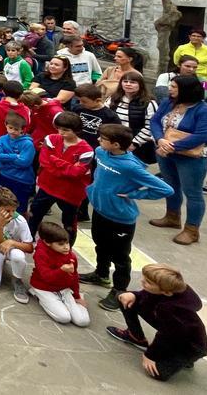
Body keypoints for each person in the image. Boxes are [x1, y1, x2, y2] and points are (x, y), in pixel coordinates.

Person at [80, 124, 174, 311]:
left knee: (121, 257)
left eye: (103, 138)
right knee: (100, 244)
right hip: (100, 210)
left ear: (115, 144)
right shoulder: (101, 152)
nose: (98, 141)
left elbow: (165, 189)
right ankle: (101, 274)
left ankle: (119, 289)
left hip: (120, 219)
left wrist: (134, 195)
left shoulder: (131, 166)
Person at [108, 264, 207, 382]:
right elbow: (147, 294)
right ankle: (136, 336)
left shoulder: (170, 309)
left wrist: (150, 355)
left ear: (166, 292)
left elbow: (165, 336)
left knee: (158, 373)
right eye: (144, 278)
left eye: (148, 282)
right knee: (124, 298)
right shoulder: (171, 290)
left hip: (192, 346)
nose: (142, 282)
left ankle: (184, 358)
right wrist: (134, 294)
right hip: (173, 330)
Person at [148, 75, 207, 245]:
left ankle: (192, 230)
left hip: (191, 158)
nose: (170, 89)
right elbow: (155, 121)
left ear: (186, 90)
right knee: (171, 186)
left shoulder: (203, 110)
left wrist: (171, 146)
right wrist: (160, 139)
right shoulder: (169, 102)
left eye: (174, 87)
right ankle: (172, 217)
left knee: (193, 193)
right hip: (165, 151)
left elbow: (202, 135)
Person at [27, 111, 92, 245]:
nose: (61, 132)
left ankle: (67, 247)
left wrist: (55, 161)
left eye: (66, 130)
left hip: (70, 193)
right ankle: (28, 239)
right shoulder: (50, 139)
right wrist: (66, 167)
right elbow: (44, 161)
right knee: (34, 214)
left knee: (69, 222)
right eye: (59, 129)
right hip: (47, 187)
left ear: (77, 130)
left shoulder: (87, 150)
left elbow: (77, 173)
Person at [28, 221, 90, 328]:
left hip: (63, 288)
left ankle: (63, 301)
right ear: (47, 242)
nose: (66, 247)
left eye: (67, 243)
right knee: (64, 317)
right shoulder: (40, 254)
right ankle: (38, 295)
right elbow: (46, 277)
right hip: (43, 287)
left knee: (83, 321)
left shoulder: (71, 256)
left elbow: (74, 276)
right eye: (61, 244)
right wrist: (61, 270)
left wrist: (77, 296)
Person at [0, 187, 34, 304]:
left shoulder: (20, 220)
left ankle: (17, 280)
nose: (11, 214)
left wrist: (12, 242)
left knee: (18, 256)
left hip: (12, 250)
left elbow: (29, 248)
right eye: (7, 210)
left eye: (13, 210)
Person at [0, 111, 35, 213]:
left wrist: (5, 159)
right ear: (6, 125)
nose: (12, 131)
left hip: (21, 180)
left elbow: (24, 163)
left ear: (22, 129)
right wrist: (15, 156)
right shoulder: (1, 139)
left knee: (19, 207)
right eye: (10, 128)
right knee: (2, 203)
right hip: (4, 176)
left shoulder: (27, 144)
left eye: (16, 129)